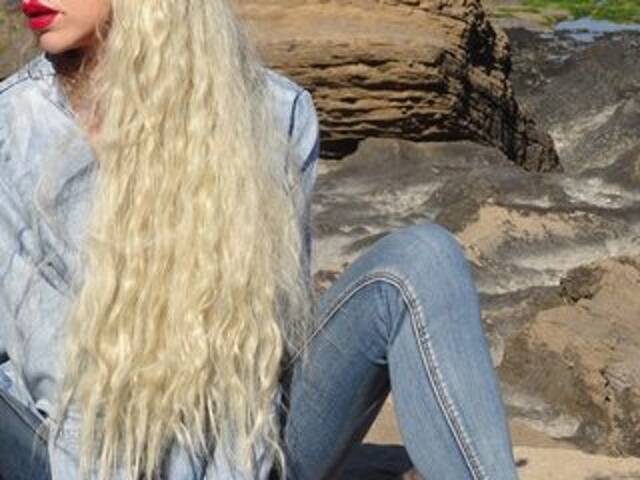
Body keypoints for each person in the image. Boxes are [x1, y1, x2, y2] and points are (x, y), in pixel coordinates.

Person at [0, 0, 521, 479]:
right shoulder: (13, 125)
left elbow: (264, 343)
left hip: (246, 442)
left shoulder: (275, 111)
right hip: (65, 451)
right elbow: (55, 372)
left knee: (423, 260)